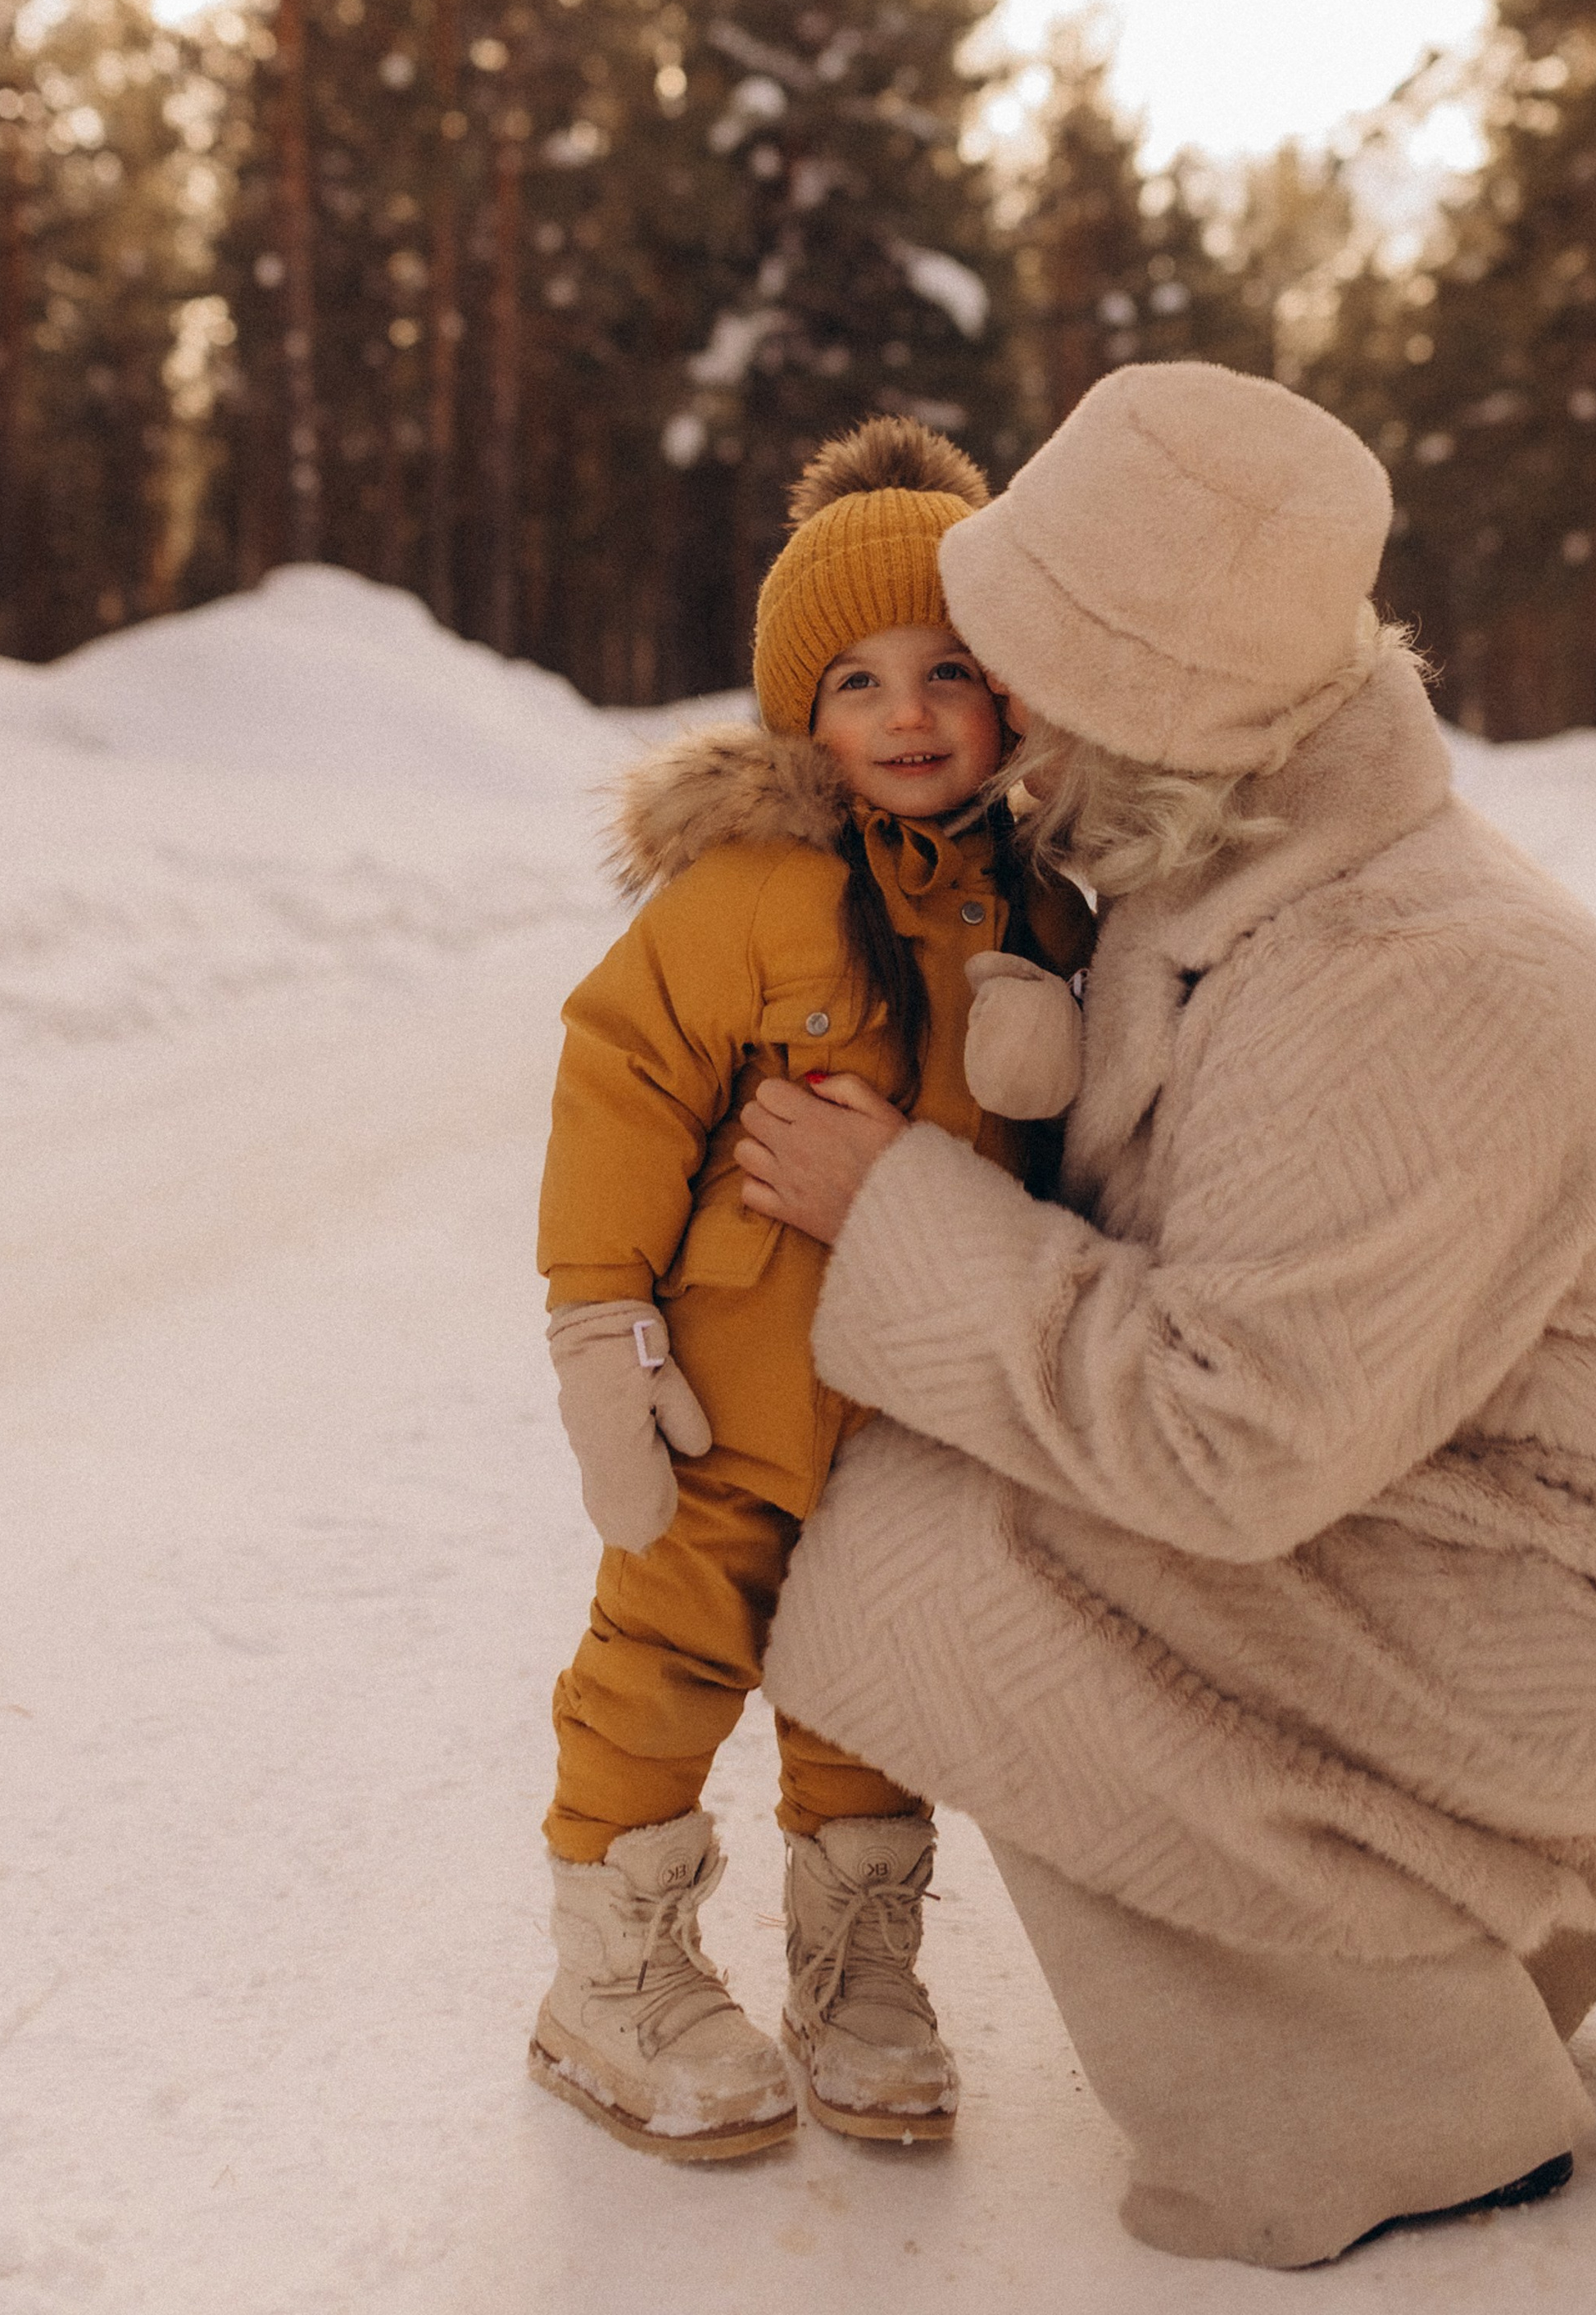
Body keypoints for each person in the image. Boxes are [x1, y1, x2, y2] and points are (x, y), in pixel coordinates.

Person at [738, 360, 1596, 2267]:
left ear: (1144, 699)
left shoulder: (1393, 971)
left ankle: (1385, 2107)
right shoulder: (1251, 867)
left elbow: (1219, 1439)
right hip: (1510, 1522)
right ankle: (1481, 1944)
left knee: (929, 1562)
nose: (988, 723)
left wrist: (892, 1213)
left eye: (1023, 668)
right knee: (970, 1491)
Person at [530, 417, 1094, 2165]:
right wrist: (597, 1324)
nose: (906, 713)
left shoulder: (1044, 907)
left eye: (948, 671)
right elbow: (619, 1073)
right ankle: (608, 1979)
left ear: (1011, 695)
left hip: (918, 1396)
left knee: (869, 1672)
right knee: (665, 1653)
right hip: (726, 1390)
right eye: (855, 681)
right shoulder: (750, 887)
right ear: (800, 713)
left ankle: (856, 1971)